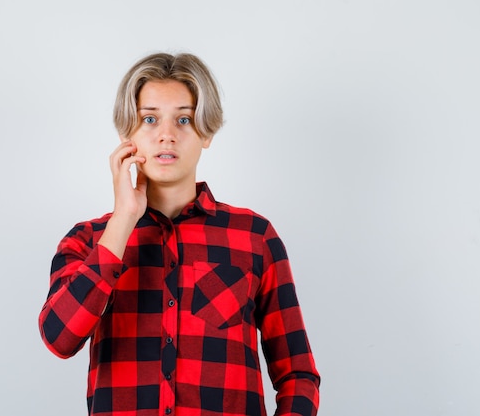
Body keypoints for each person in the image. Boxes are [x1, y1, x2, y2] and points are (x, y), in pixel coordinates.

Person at [38, 52, 320, 416]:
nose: (167, 135)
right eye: (150, 119)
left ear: (207, 132)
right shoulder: (88, 240)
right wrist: (124, 218)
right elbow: (60, 338)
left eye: (184, 119)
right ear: (128, 134)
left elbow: (297, 373)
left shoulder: (255, 237)